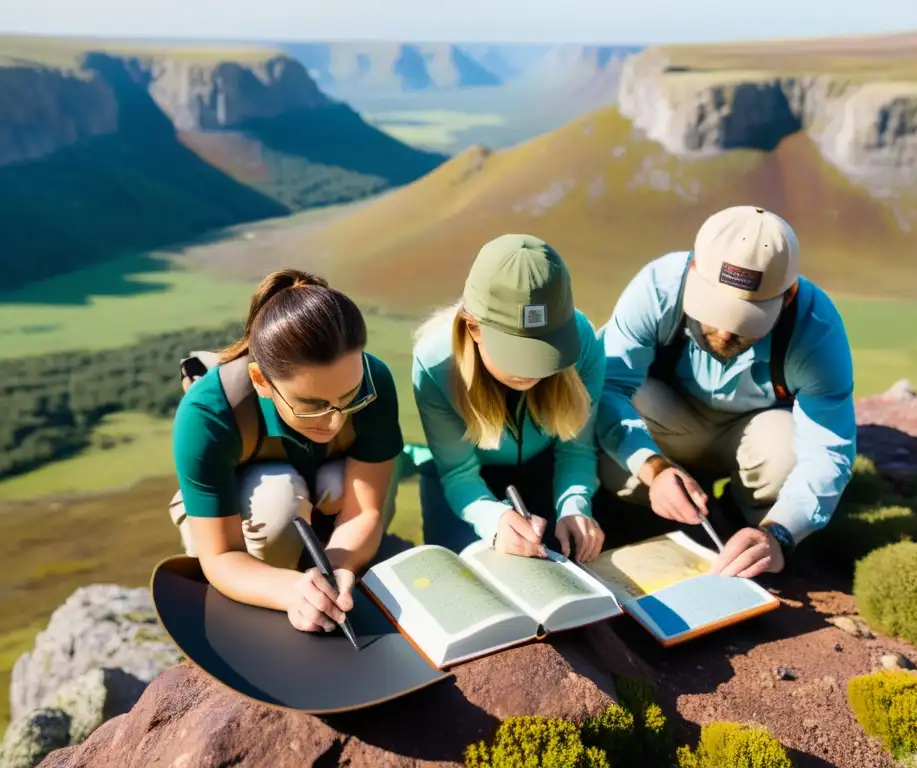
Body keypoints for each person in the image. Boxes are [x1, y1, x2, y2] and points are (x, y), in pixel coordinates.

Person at [595, 205, 856, 579]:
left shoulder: (816, 329)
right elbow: (610, 389)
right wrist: (653, 468)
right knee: (611, 445)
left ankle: (747, 529)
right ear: (695, 271)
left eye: (747, 322)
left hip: (755, 434)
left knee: (788, 451)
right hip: (670, 423)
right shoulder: (657, 288)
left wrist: (780, 532)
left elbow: (828, 451)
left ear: (786, 297)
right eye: (713, 310)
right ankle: (653, 510)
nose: (724, 333)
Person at [169, 268, 404, 634]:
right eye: (311, 405)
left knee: (336, 484)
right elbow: (221, 556)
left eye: (349, 398)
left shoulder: (375, 381)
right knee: (276, 498)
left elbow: (365, 509)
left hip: (325, 493)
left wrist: (337, 569)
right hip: (243, 520)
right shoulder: (207, 414)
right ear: (262, 381)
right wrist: (291, 591)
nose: (333, 423)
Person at [412, 234, 606, 563]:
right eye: (514, 353)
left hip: (545, 466)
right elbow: (458, 473)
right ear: (472, 328)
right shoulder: (434, 363)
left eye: (545, 352)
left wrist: (575, 505)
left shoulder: (582, 339)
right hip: (460, 480)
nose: (529, 372)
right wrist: (493, 519)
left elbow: (577, 447)